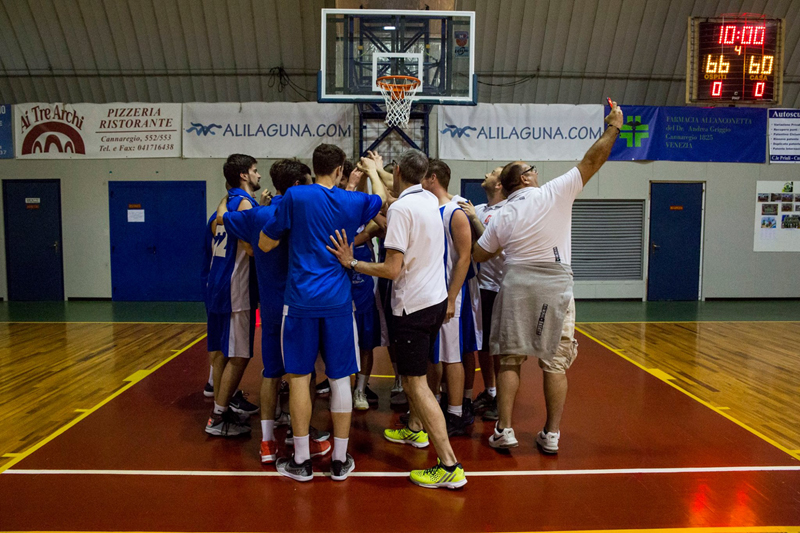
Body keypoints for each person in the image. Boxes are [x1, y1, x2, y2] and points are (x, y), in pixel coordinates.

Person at [472, 102, 624, 453]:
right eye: (533, 169)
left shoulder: (503, 214)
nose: (537, 172)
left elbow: (481, 254)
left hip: (517, 284)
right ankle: (551, 435)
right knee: (555, 362)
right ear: (524, 178)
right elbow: (592, 160)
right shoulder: (554, 193)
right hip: (556, 283)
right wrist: (614, 127)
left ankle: (505, 430)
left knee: (509, 357)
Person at [327, 149, 467, 490]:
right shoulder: (429, 202)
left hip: (414, 308)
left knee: (416, 383)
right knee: (415, 374)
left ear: (399, 170)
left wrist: (352, 263)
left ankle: (449, 464)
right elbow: (390, 202)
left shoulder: (405, 207)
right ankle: (416, 431)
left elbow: (391, 269)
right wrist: (375, 174)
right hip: (433, 302)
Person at [259, 143, 386, 482]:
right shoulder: (354, 200)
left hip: (299, 301)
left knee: (300, 377)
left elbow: (266, 242)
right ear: (341, 170)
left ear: (313, 167)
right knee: (339, 377)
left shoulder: (294, 198)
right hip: (338, 303)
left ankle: (301, 461)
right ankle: (340, 460)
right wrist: (372, 173)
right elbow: (384, 201)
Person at [220, 159, 333, 464]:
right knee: (303, 375)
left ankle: (267, 443)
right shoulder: (308, 214)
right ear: (298, 185)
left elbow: (224, 219)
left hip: (269, 308)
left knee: (271, 373)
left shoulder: (258, 214)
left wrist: (247, 239)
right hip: (300, 307)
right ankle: (303, 437)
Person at [420, 159, 482, 436]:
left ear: (433, 178)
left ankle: (456, 414)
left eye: (422, 177)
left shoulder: (454, 212)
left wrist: (452, 297)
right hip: (433, 294)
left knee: (452, 354)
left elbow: (465, 258)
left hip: (450, 293)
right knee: (437, 353)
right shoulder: (431, 209)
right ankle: (439, 404)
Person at [204, 154, 262, 436]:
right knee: (239, 355)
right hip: (235, 288)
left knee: (220, 350)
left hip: (216, 284)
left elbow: (214, 231)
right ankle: (218, 417)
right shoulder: (244, 204)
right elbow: (252, 248)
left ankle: (222, 401)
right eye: (254, 170)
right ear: (243, 175)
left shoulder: (224, 204)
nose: (258, 175)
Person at [458, 167, 506, 421]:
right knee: (484, 346)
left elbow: (491, 244)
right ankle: (490, 391)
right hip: (480, 287)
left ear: (500, 184)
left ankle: (501, 399)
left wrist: (474, 219)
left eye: (493, 172)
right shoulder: (479, 207)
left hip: (500, 287)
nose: (486, 173)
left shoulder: (507, 211)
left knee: (498, 347)